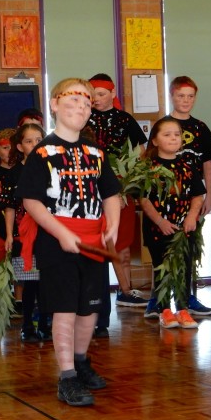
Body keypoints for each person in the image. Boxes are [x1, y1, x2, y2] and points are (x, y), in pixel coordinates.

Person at [15, 78, 120, 406]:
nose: (81, 106)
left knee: (90, 309)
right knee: (65, 308)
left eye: (87, 102)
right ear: (54, 105)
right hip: (57, 242)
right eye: (73, 99)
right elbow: (31, 201)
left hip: (93, 241)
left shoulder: (96, 152)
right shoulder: (42, 153)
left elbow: (111, 193)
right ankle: (67, 376)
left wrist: (113, 226)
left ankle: (81, 360)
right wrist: (61, 233)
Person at [86, 73, 148, 339]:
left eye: (101, 94)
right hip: (91, 188)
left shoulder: (125, 119)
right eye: (93, 95)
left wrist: (128, 177)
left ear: (112, 94)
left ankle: (125, 290)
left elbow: (141, 149)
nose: (96, 99)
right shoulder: (83, 118)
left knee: (121, 240)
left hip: (121, 185)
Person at [151, 75, 211, 317]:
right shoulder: (162, 125)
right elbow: (149, 160)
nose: (186, 100)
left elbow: (207, 164)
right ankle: (157, 300)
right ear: (172, 96)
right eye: (181, 96)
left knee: (188, 249)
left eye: (190, 96)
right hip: (164, 203)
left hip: (193, 198)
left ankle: (188, 298)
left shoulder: (201, 128)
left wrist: (209, 196)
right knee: (160, 252)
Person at [140, 117, 206, 329]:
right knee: (162, 269)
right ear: (155, 140)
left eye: (177, 135)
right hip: (158, 229)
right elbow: (144, 199)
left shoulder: (187, 166)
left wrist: (191, 217)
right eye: (167, 134)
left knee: (184, 268)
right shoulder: (149, 168)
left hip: (183, 229)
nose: (173, 138)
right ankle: (164, 310)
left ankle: (183, 309)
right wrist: (160, 222)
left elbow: (198, 195)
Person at [1, 122, 52, 342]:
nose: (34, 144)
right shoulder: (14, 173)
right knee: (29, 282)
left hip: (47, 232)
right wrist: (9, 235)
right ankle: (27, 325)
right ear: (20, 146)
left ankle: (45, 324)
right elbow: (10, 207)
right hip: (23, 234)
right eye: (29, 141)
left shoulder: (51, 169)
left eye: (38, 140)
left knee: (46, 282)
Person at [0, 127, 23, 317]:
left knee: (20, 265)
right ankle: (2, 302)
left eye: (12, 148)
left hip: (21, 227)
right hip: (1, 228)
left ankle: (20, 301)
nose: (9, 152)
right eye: (5, 148)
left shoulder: (23, 172)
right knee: (1, 266)